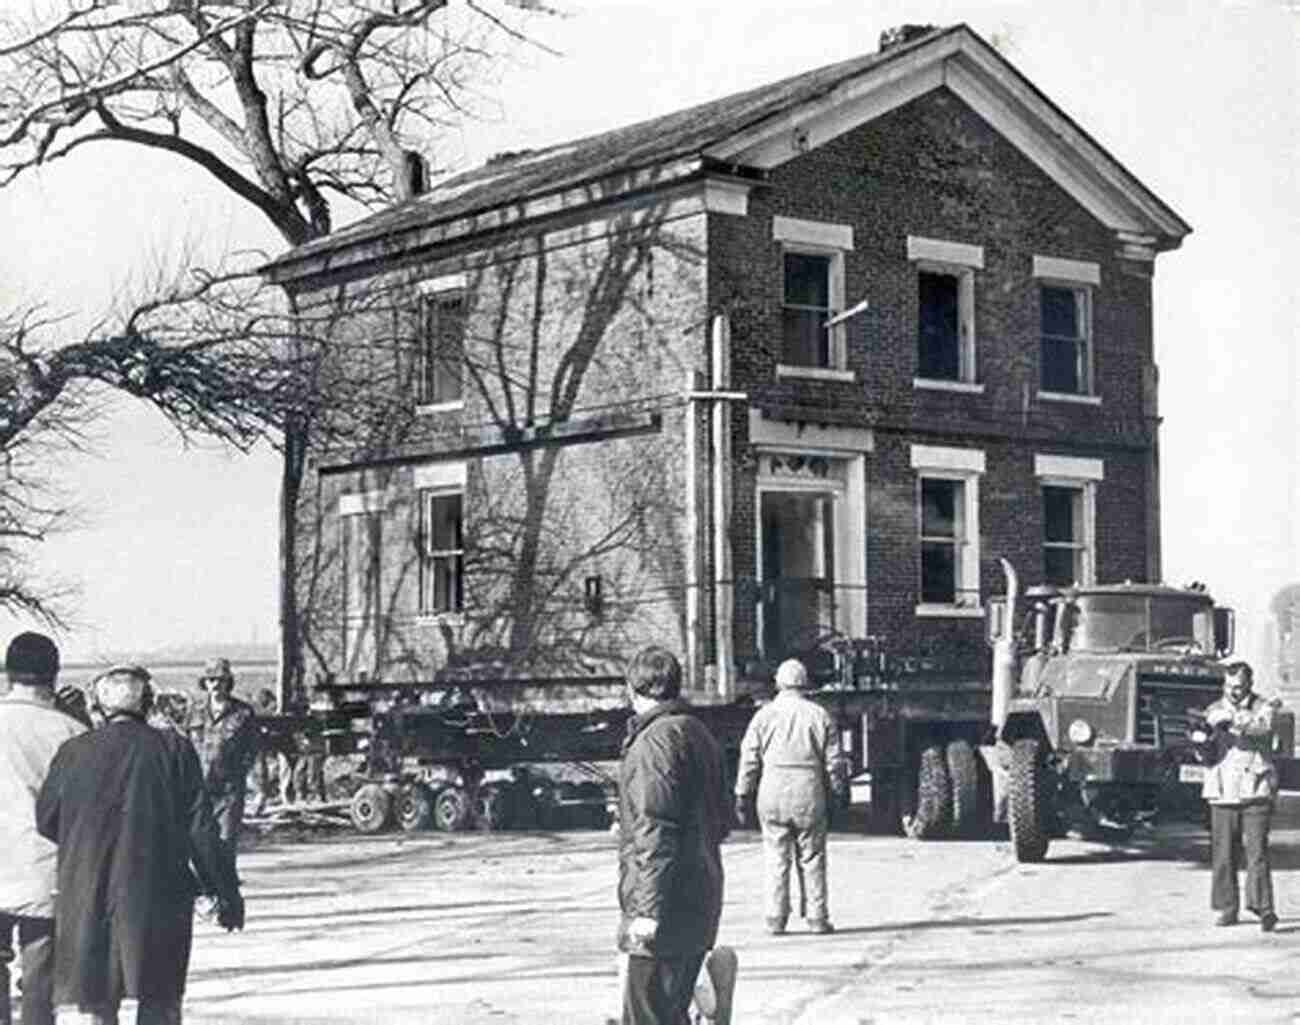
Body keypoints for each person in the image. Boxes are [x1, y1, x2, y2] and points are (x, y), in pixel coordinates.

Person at [35, 664, 244, 1025]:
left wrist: (86, 843)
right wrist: (224, 893)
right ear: (148, 703)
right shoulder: (174, 750)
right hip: (159, 893)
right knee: (160, 998)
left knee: (99, 1002)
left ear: (100, 707)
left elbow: (47, 820)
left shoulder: (72, 752)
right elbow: (201, 832)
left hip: (88, 890)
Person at [616, 646, 729, 1025]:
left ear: (634, 689)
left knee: (645, 1016)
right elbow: (721, 818)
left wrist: (647, 912)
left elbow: (656, 830)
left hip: (664, 910)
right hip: (699, 896)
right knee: (671, 1012)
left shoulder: (652, 743)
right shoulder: (699, 734)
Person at [0, 633, 86, 1025]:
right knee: (40, 981)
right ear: (53, 675)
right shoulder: (72, 733)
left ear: (6, 673)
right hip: (48, 869)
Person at [733, 658, 842, 936]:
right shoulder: (819, 715)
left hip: (772, 790)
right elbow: (834, 761)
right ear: (805, 683)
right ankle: (818, 917)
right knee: (813, 856)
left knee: (776, 856)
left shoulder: (764, 716)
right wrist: (838, 790)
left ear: (778, 683)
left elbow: (749, 758)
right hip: (808, 788)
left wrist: (742, 793)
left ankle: (775, 917)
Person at [1201, 659, 1280, 931]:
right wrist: (1201, 739)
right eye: (1229, 686)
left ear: (1250, 684)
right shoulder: (1213, 709)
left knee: (1257, 852)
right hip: (1223, 791)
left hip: (1255, 788)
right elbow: (1206, 750)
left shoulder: (1263, 707)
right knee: (1223, 853)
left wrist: (1234, 720)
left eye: (1239, 686)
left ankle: (1264, 908)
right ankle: (1226, 907)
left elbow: (1264, 728)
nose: (1234, 692)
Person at [187, 658, 259, 862]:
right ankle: (208, 889)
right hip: (199, 788)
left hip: (229, 790)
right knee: (199, 841)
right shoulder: (194, 711)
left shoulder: (243, 713)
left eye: (221, 680)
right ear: (205, 684)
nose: (216, 685)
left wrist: (253, 783)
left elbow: (253, 750)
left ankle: (227, 889)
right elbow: (184, 747)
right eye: (211, 680)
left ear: (228, 682)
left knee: (226, 840)